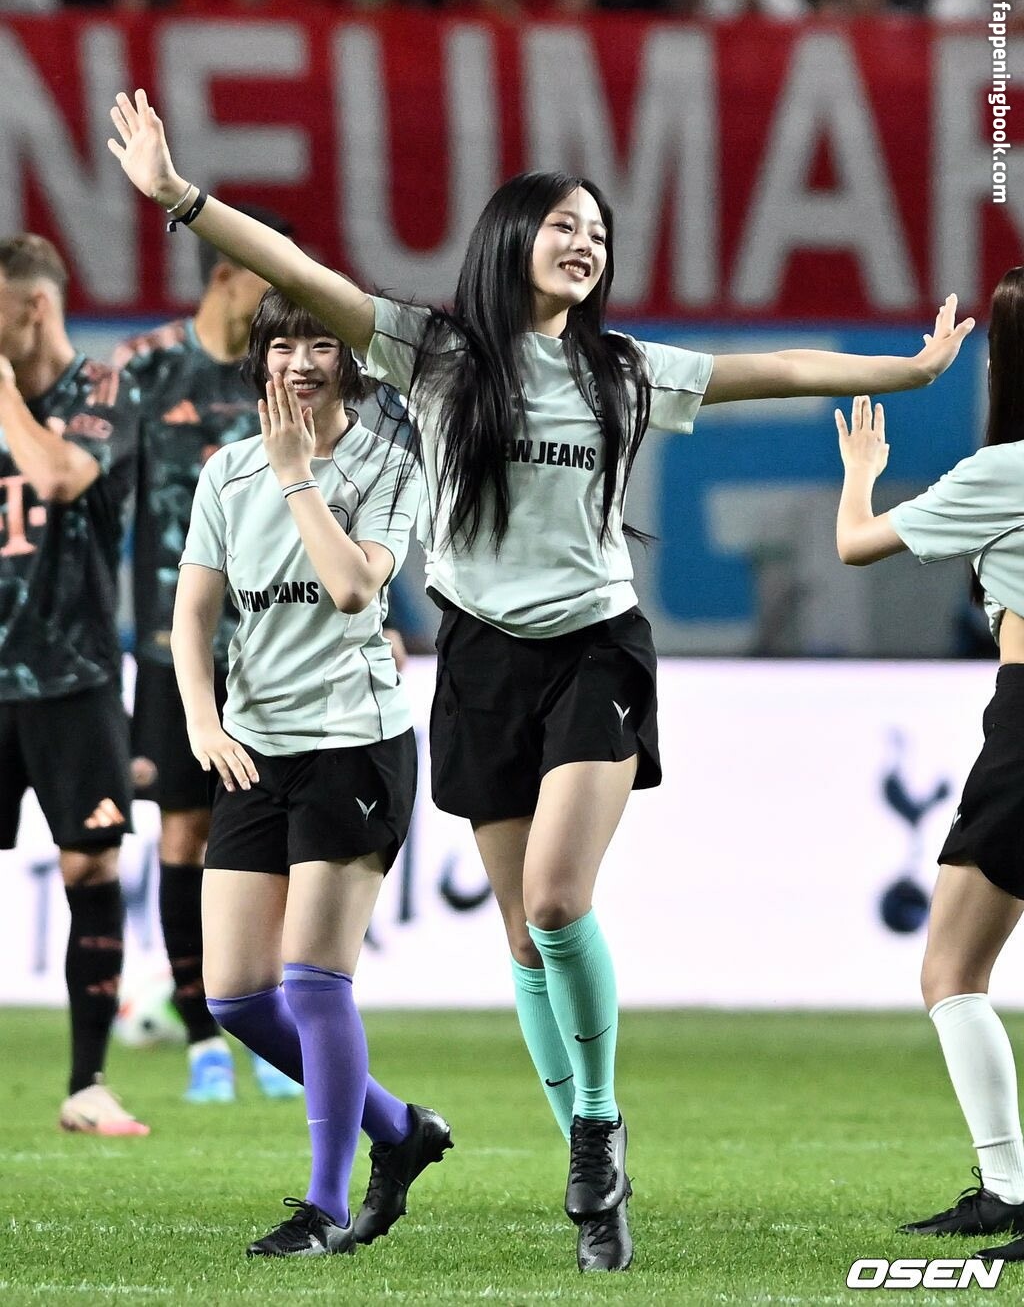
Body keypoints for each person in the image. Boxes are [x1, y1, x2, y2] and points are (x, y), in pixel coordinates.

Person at [107, 87, 973, 1273]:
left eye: (597, 231)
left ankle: (597, 1123)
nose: (585, 242)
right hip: (481, 660)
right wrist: (181, 198)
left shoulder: (620, 368)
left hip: (596, 651)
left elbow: (765, 367)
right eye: (565, 223)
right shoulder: (435, 356)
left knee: (559, 901)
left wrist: (908, 371)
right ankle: (588, 1154)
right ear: (513, 236)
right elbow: (298, 272)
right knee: (522, 933)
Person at [172, 285, 451, 1257]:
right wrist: (202, 719)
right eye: (282, 345)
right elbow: (193, 612)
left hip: (353, 742)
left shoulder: (388, 465)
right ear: (260, 360)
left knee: (316, 981)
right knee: (237, 996)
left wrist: (298, 480)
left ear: (352, 361)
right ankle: (400, 1128)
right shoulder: (225, 471)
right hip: (255, 747)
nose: (299, 362)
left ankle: (325, 1208)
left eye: (321, 344)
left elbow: (351, 588)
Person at [833, 267, 1024, 1266]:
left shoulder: (1004, 472)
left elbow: (855, 545)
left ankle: (1008, 1191)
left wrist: (861, 468)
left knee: (952, 970)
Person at [112, 204, 307, 1105]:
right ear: (225, 273)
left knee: (278, 842)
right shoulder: (146, 368)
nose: (286, 286)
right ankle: (201, 1039)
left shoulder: (285, 371)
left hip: (278, 644)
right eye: (268, 269)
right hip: (174, 646)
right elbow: (95, 495)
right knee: (183, 834)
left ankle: (264, 1025)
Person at [0, 233, 147, 1136]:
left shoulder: (104, 392)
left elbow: (57, 476)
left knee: (91, 865)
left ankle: (88, 1084)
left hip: (73, 674)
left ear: (35, 306)